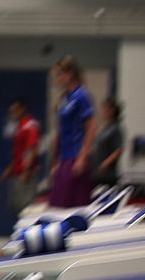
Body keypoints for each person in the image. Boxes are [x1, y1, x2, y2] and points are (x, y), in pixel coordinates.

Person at [49, 55, 97, 208]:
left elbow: (92, 127)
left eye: (58, 74)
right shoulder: (65, 98)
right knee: (58, 204)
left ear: (69, 74)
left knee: (74, 207)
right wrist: (56, 161)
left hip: (76, 158)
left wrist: (82, 157)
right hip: (65, 158)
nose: (56, 79)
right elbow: (61, 131)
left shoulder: (81, 96)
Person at [1, 98, 41, 216]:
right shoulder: (19, 127)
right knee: (17, 206)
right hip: (17, 173)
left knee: (27, 207)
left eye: (15, 111)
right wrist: (10, 169)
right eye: (11, 111)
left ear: (22, 109)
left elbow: (32, 149)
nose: (13, 114)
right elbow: (19, 152)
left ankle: (27, 232)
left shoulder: (30, 126)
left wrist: (27, 170)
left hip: (26, 174)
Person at [92, 99, 124, 187]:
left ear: (112, 111)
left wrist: (105, 164)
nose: (102, 112)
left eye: (105, 110)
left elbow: (119, 150)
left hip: (108, 174)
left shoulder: (115, 129)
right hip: (97, 173)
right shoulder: (105, 128)